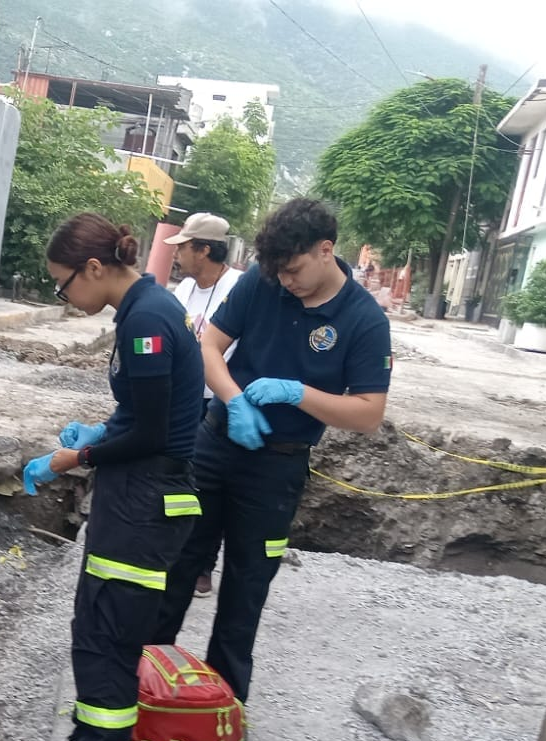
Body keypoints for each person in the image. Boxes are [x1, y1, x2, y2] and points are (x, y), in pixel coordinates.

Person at [159, 198, 393, 706]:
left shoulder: (363, 319)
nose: (284, 281)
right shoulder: (259, 282)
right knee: (176, 565)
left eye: (293, 270)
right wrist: (234, 399)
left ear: (326, 250)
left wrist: (297, 394)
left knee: (246, 589)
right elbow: (208, 348)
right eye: (278, 272)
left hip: (278, 466)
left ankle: (223, 709)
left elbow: (370, 413)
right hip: (217, 444)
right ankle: (147, 687)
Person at [13, 213, 205, 741]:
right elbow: (153, 412)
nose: (65, 298)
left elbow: (150, 430)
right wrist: (104, 428)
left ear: (94, 269)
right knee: (105, 634)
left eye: (63, 284)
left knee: (104, 638)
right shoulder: (148, 307)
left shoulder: (145, 319)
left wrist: (75, 456)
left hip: (144, 502)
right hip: (142, 496)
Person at [166, 212, 244, 599]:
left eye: (183, 247)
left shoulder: (239, 288)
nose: (177, 255)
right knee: (177, 476)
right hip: (183, 399)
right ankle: (177, 554)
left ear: (204, 249)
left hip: (220, 405)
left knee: (209, 486)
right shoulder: (183, 292)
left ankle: (203, 565)